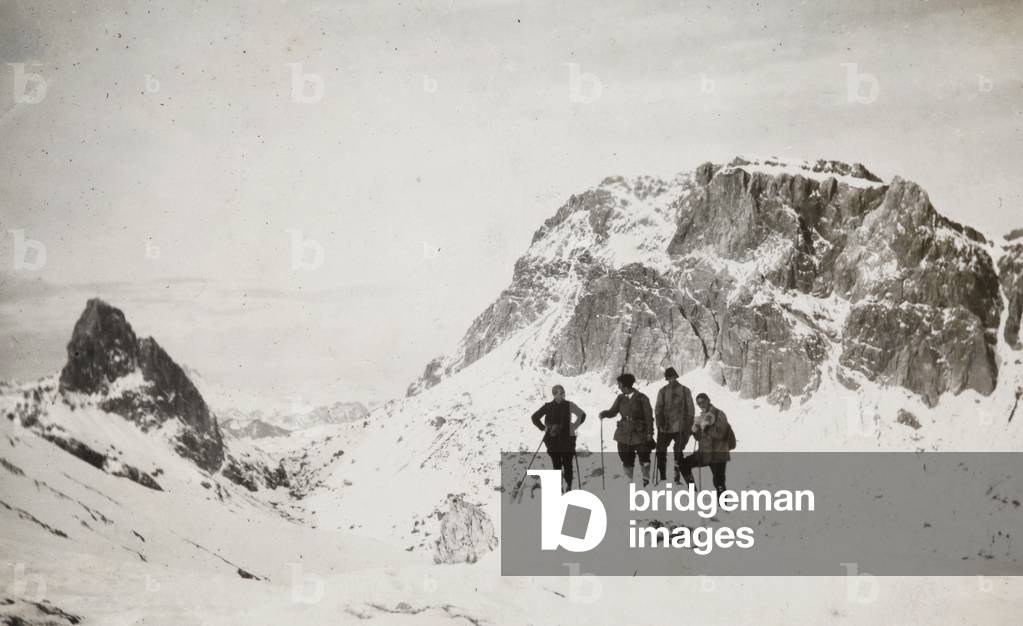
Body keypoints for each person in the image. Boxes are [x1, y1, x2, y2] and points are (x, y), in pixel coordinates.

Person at [598, 373, 654, 486]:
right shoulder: (620, 398)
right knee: (625, 458)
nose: (618, 387)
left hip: (639, 433)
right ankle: (629, 480)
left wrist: (649, 433)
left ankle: (645, 479)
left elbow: (649, 417)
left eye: (619, 385)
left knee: (644, 457)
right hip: (623, 433)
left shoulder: (642, 398)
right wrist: (606, 414)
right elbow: (613, 411)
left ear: (625, 385)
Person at [531, 385, 586, 492]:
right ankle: (561, 486)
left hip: (564, 440)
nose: (562, 395)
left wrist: (574, 426)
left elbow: (582, 415)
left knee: (567, 464)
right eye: (560, 393)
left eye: (563, 392)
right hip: (555, 441)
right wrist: (543, 428)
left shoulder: (568, 405)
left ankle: (568, 486)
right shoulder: (549, 406)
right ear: (554, 394)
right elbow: (534, 417)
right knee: (557, 464)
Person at [679, 393, 730, 497]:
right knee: (683, 465)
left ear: (708, 400)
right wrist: (695, 430)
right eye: (699, 403)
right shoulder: (703, 416)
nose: (701, 405)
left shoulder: (719, 414)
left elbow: (721, 433)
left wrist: (705, 426)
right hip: (705, 453)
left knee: (718, 482)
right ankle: (693, 492)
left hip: (718, 454)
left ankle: (724, 506)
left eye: (703, 402)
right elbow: (700, 438)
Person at [654, 367, 695, 484]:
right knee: (660, 451)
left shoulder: (685, 390)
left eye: (672, 377)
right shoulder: (662, 391)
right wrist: (659, 422)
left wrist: (688, 425)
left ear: (676, 377)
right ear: (667, 379)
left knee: (678, 451)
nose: (671, 380)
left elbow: (690, 409)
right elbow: (658, 408)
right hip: (665, 427)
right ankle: (662, 477)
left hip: (680, 427)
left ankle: (677, 477)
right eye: (669, 378)